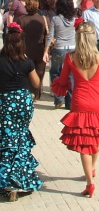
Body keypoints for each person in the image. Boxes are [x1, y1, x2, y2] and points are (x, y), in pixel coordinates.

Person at [51, 21, 99, 199]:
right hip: (98, 103)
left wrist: (59, 89)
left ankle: (89, 183)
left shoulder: (71, 58)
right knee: (95, 139)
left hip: (79, 103)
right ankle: (92, 169)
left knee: (84, 146)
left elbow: (63, 82)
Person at [0, 22, 43, 202]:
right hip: (23, 103)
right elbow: (36, 84)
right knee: (21, 137)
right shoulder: (27, 62)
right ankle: (21, 178)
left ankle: (6, 179)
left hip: (5, 102)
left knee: (6, 138)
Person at [43, 0, 76, 109]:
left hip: (59, 48)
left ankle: (59, 98)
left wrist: (45, 51)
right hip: (72, 48)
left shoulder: (55, 19)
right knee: (71, 74)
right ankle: (70, 102)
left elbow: (50, 36)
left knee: (56, 72)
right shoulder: (74, 19)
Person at [18, 0, 48, 100]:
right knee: (40, 72)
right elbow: (47, 35)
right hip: (40, 49)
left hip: (26, 49)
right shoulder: (44, 19)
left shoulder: (21, 20)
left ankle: (29, 92)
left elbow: (19, 37)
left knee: (27, 72)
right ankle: (37, 93)